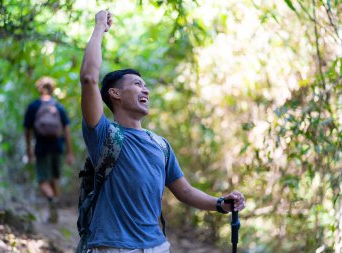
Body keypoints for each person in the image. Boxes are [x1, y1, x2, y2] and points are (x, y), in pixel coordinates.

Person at [79, 10, 245, 253]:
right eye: (137, 85)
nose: (145, 91)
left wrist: (220, 204)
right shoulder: (104, 135)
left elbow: (184, 191)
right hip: (113, 247)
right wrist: (99, 27)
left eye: (146, 86)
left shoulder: (160, 145)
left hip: (157, 246)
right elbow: (88, 78)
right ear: (115, 94)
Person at [24, 76, 74, 223]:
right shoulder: (58, 107)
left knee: (43, 181)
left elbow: (27, 130)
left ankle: (52, 200)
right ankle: (55, 209)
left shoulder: (34, 106)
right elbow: (67, 130)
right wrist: (69, 152)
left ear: (39, 88)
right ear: (52, 89)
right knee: (54, 179)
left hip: (42, 147)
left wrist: (29, 150)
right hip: (58, 147)